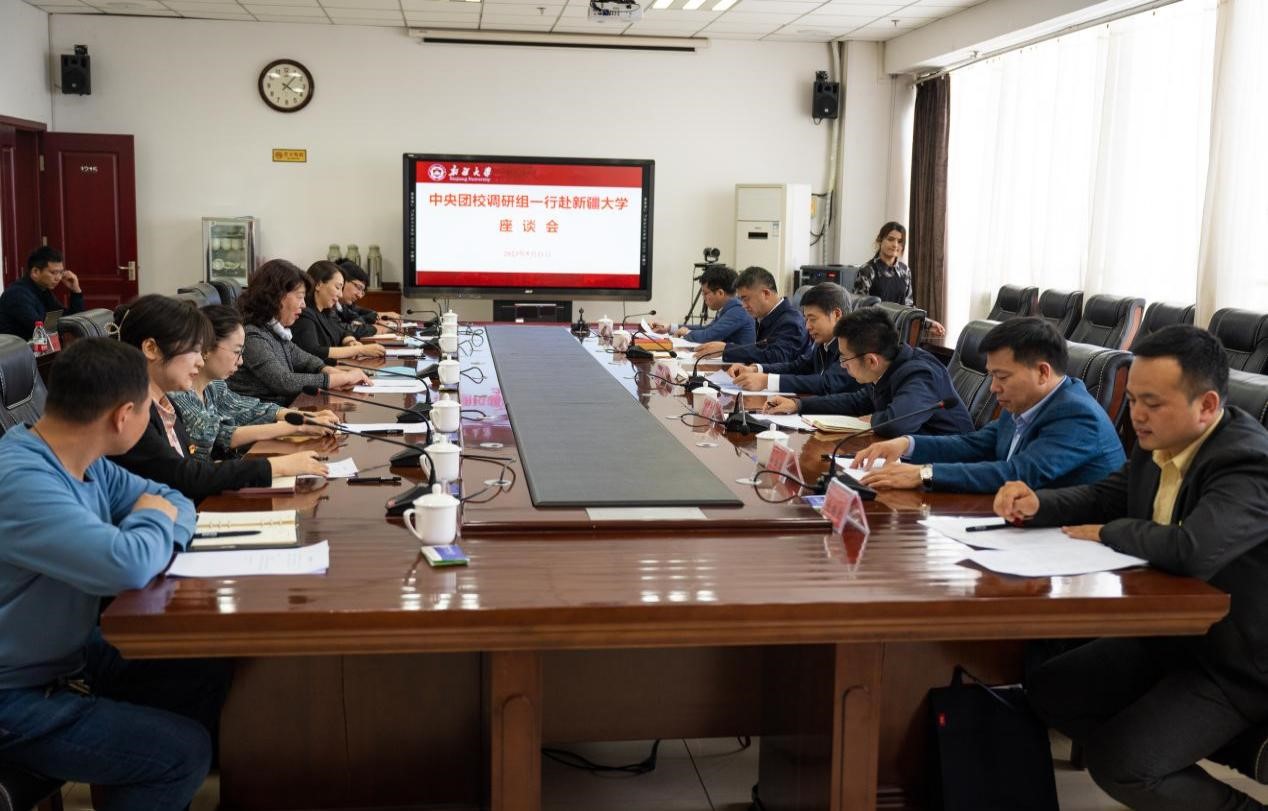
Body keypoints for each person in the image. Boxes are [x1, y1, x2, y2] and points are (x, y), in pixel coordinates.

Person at [997, 325, 1268, 811]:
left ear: (1207, 405)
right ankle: (1163, 753)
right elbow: (1106, 495)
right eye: (1134, 400)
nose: (1136, 414)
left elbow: (1192, 549)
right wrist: (1038, 504)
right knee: (1051, 690)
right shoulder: (1159, 440)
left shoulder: (1247, 462)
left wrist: (1108, 532)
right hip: (1169, 634)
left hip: (1235, 659)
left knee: (1122, 764)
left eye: (1152, 403)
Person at [0, 337, 230, 810]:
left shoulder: (83, 461)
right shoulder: (22, 480)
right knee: (181, 753)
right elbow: (128, 565)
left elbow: (174, 500)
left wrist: (153, 528)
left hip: (65, 654)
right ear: (124, 416)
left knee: (201, 659)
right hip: (15, 692)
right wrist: (151, 527)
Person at [850, 317, 1124, 491]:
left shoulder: (1077, 415)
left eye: (1002, 376)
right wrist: (906, 444)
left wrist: (925, 473)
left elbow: (1018, 473)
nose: (993, 388)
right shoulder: (1026, 403)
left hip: (1074, 543)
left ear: (1043, 372)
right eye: (991, 375)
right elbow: (975, 444)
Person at [109, 294, 329, 503]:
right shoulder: (133, 414)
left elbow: (191, 469)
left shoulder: (166, 404)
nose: (200, 361)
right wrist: (276, 466)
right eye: (193, 350)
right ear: (151, 348)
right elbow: (185, 476)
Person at [764, 307, 973, 437]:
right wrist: (798, 405)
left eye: (845, 358)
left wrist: (872, 419)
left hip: (946, 466)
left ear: (871, 360)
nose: (842, 365)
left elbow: (895, 424)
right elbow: (857, 401)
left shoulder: (920, 374)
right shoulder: (887, 367)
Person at [170, 305, 340, 461]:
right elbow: (219, 436)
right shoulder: (179, 395)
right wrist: (298, 427)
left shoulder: (214, 385)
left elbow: (249, 408)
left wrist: (307, 418)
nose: (241, 361)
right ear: (207, 349)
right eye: (236, 352)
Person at [229, 259, 369, 405]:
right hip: (263, 416)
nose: (303, 305)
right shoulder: (251, 335)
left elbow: (305, 359)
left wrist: (328, 370)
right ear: (278, 295)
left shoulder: (274, 330)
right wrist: (340, 378)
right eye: (300, 297)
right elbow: (283, 381)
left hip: (283, 410)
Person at [726, 281, 858, 396]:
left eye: (812, 319)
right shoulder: (824, 343)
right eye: (806, 319)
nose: (807, 326)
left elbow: (827, 383)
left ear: (836, 314)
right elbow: (797, 367)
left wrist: (766, 381)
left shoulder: (854, 346)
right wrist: (756, 369)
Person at [693, 266, 810, 365]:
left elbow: (777, 357)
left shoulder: (790, 321)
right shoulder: (764, 316)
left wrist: (727, 349)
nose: (743, 305)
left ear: (766, 294)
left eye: (746, 299)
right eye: (741, 299)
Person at [852, 222, 945, 338]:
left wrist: (929, 324)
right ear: (880, 240)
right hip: (872, 336)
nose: (895, 245)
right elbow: (859, 310)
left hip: (899, 336)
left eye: (900, 241)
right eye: (890, 239)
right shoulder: (867, 270)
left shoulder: (905, 271)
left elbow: (908, 309)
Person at [292, 261, 387, 363]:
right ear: (318, 284)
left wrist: (350, 341)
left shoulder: (326, 312)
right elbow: (313, 352)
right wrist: (359, 350)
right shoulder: (304, 314)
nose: (340, 294)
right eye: (337, 287)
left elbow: (342, 332)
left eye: (342, 289)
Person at [649, 264, 755, 346]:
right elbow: (707, 328)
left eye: (705, 293)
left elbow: (708, 336)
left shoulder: (738, 309)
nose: (703, 298)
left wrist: (686, 333)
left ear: (720, 293)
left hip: (739, 365)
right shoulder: (729, 307)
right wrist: (670, 328)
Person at [0, 245, 85, 340]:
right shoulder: (17, 294)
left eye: (61, 272)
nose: (58, 278)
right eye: (53, 273)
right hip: (17, 348)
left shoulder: (43, 290)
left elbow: (71, 319)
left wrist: (76, 291)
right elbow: (40, 329)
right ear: (35, 272)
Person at [334, 259, 398, 337]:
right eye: (358, 288)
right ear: (342, 281)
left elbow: (356, 318)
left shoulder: (342, 307)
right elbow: (341, 330)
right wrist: (378, 329)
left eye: (362, 291)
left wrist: (375, 318)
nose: (360, 296)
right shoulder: (329, 305)